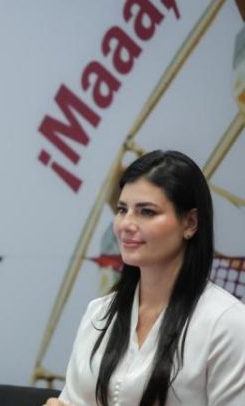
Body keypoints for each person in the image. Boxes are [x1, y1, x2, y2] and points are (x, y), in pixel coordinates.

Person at [46, 150, 245, 406]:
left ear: (190, 223)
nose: (126, 224)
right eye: (122, 209)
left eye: (146, 212)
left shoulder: (227, 324)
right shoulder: (99, 313)